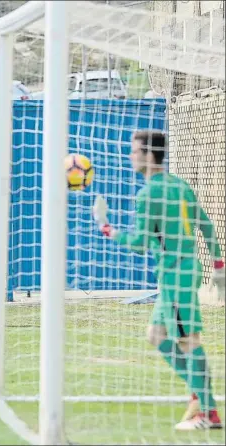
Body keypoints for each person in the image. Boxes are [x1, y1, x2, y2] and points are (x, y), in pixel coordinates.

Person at [93, 130, 224, 430]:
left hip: (176, 274)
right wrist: (218, 264)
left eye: (135, 150)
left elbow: (139, 243)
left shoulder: (148, 193)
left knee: (189, 341)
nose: (130, 156)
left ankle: (209, 413)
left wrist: (107, 229)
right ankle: (198, 393)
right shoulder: (179, 185)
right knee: (157, 335)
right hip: (180, 273)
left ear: (149, 156)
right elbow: (206, 223)